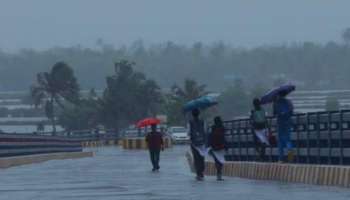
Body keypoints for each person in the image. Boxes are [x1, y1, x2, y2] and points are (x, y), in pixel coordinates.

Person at [273, 91, 294, 163]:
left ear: (278, 94)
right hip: (288, 122)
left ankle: (281, 159)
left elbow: (274, 113)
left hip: (280, 123)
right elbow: (291, 112)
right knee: (288, 139)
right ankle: (290, 154)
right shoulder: (289, 102)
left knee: (280, 141)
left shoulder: (276, 103)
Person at [189, 108, 206, 181]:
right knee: (202, 158)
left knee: (196, 158)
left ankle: (198, 174)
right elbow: (205, 131)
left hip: (194, 143)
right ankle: (201, 172)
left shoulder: (190, 122)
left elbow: (188, 132)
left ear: (192, 114)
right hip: (202, 142)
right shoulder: (202, 121)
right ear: (199, 114)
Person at [208, 116, 227, 181]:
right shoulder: (222, 128)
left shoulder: (212, 128)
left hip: (214, 147)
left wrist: (209, 146)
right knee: (221, 160)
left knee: (216, 160)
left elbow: (209, 137)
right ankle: (219, 174)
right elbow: (224, 137)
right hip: (221, 146)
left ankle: (218, 173)